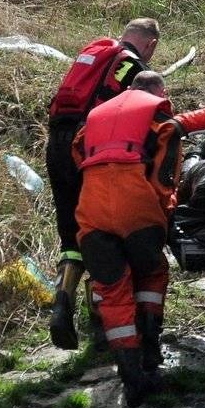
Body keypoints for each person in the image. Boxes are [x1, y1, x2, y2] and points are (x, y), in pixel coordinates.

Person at [45, 18, 160, 350]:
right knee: (100, 231)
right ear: (151, 44)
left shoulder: (94, 56)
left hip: (56, 145)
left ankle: (62, 301)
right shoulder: (134, 68)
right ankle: (102, 317)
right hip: (87, 148)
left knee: (71, 234)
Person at [71, 70, 181, 407]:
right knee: (152, 273)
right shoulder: (162, 121)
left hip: (92, 209)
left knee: (112, 292)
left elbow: (78, 155)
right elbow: (165, 179)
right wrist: (165, 213)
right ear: (160, 92)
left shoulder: (94, 120)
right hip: (137, 206)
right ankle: (150, 351)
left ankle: (131, 378)